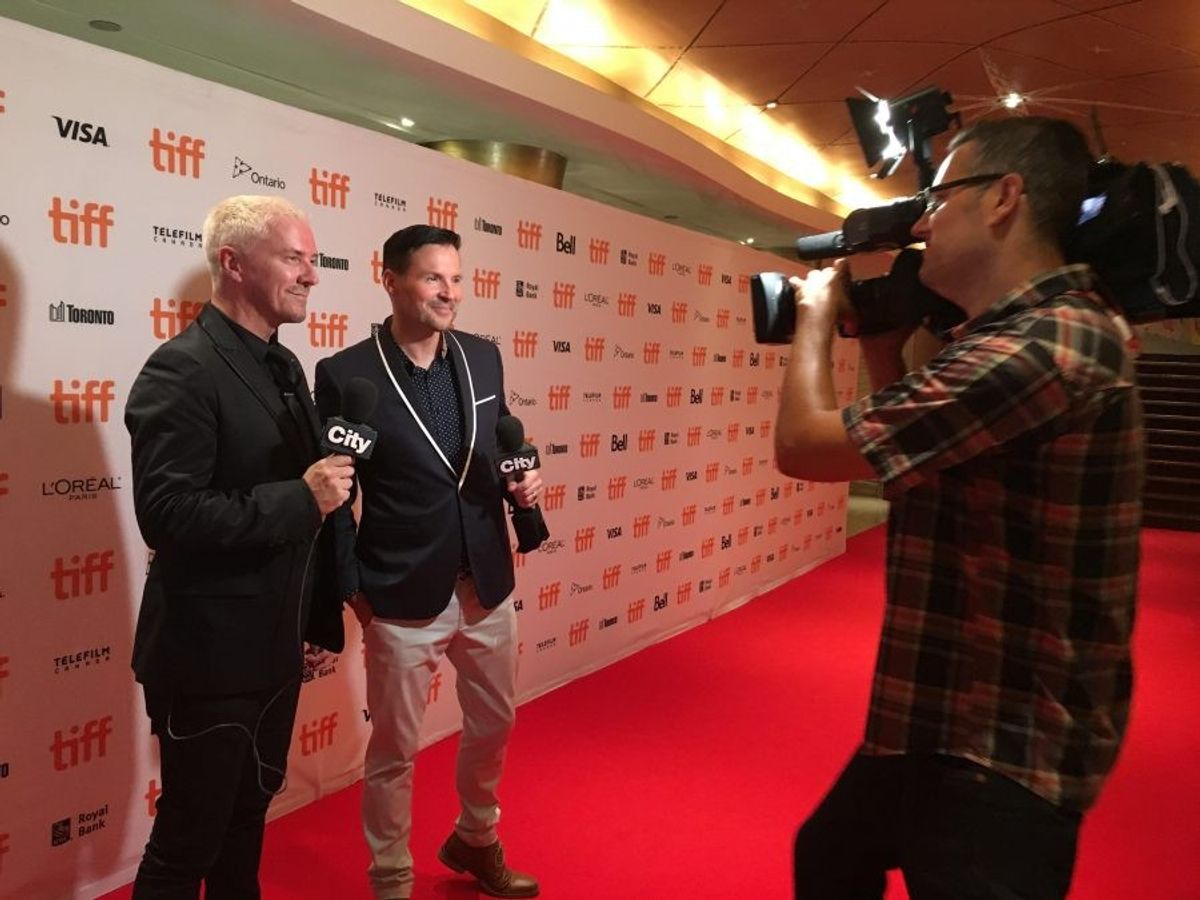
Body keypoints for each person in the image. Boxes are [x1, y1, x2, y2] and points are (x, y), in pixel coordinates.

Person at [775, 117, 1144, 898]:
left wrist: (812, 316)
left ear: (1006, 197)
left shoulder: (1045, 347)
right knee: (831, 857)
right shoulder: (1014, 336)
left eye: (942, 196)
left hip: (1006, 746)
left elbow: (805, 447)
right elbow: (918, 466)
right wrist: (881, 348)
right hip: (942, 711)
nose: (925, 220)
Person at [125, 195, 354, 898]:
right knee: (189, 835)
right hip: (207, 656)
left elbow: (316, 511)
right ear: (233, 262)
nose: (311, 275)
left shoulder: (284, 368)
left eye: (312, 260)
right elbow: (167, 514)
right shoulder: (182, 369)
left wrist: (316, 621)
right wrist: (300, 498)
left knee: (247, 817)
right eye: (293, 257)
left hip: (273, 649)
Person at [315, 225, 542, 900]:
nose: (450, 293)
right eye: (432, 278)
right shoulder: (347, 375)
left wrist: (524, 486)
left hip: (485, 582)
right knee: (393, 752)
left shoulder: (482, 358)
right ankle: (390, 877)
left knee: (495, 723)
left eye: (457, 278)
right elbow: (335, 496)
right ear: (390, 279)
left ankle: (475, 838)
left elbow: (501, 446)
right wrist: (352, 588)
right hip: (401, 590)